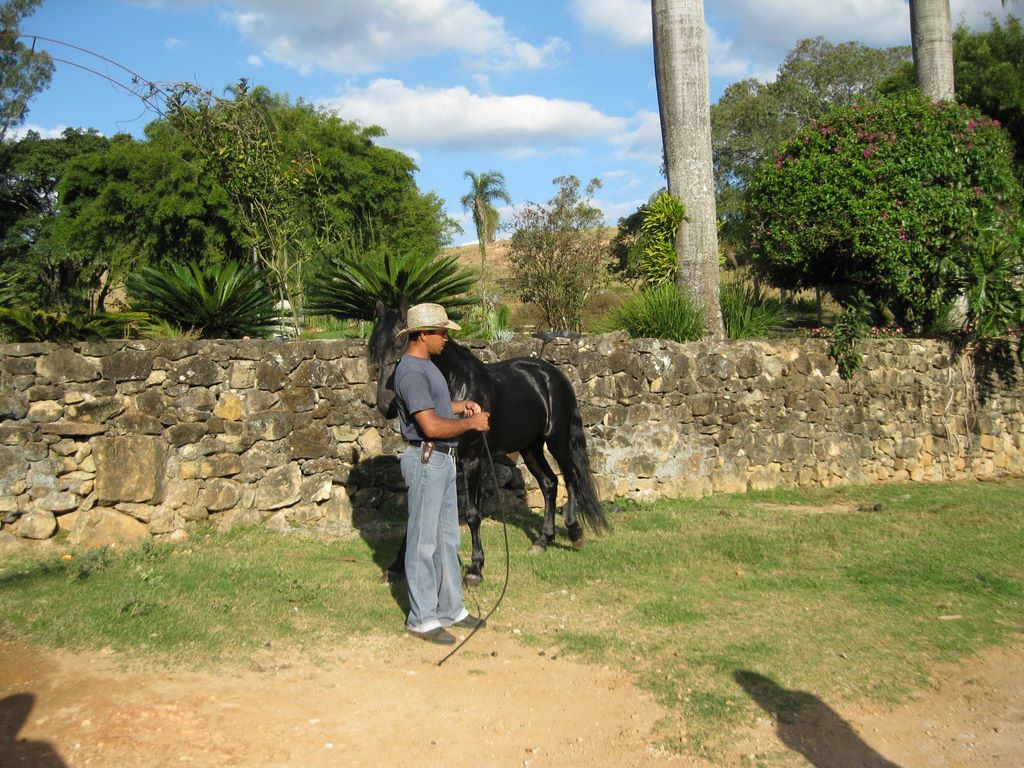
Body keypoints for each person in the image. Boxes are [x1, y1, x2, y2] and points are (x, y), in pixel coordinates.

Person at [393, 302, 491, 645]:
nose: (446, 338)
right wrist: (471, 424)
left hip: (441, 460)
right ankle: (422, 619)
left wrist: (461, 407)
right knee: (423, 543)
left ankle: (451, 609)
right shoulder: (410, 372)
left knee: (448, 539)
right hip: (427, 460)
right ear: (423, 334)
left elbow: (436, 407)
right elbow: (431, 425)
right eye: (441, 332)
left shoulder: (427, 366)